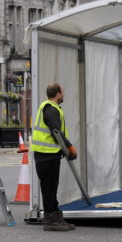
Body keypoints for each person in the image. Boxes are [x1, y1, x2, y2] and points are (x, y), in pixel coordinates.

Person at [31, 83, 77, 232]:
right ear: (57, 93)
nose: (64, 95)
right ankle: (51, 220)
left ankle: (56, 217)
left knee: (51, 187)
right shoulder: (50, 109)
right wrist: (69, 147)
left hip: (48, 155)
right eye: (62, 92)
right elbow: (56, 131)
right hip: (46, 155)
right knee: (49, 188)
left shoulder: (50, 108)